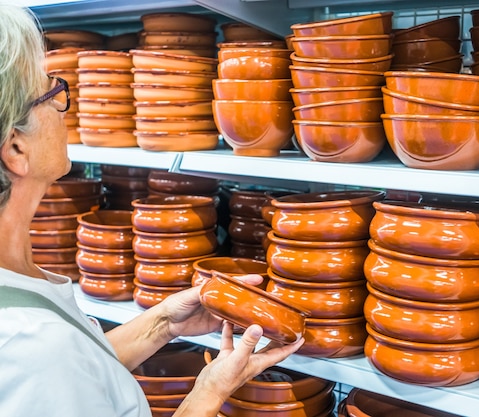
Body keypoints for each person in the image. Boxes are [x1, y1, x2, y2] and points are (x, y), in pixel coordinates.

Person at [0, 4, 304, 416]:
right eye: (53, 90)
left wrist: (164, 323)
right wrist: (210, 392)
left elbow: (79, 372)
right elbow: (54, 365)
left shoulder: (31, 326)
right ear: (17, 147)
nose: (63, 105)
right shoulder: (33, 346)